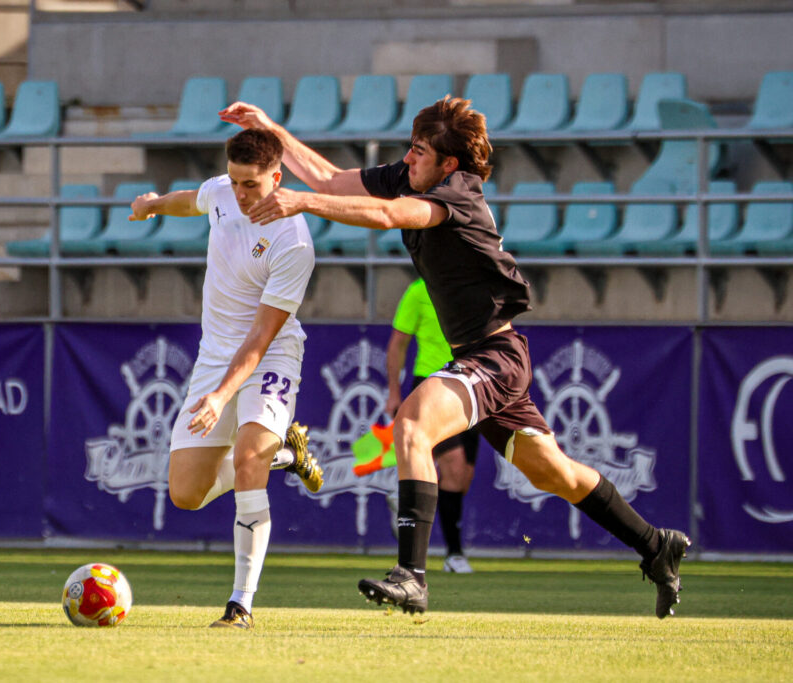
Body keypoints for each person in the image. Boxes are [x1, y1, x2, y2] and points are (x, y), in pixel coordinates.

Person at [219, 96, 689, 619]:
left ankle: (412, 577)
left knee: (413, 425)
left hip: (495, 354)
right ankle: (656, 545)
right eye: (411, 147)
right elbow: (329, 178)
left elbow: (386, 214)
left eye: (420, 152)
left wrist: (301, 202)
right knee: (555, 475)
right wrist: (271, 130)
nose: (409, 158)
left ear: (449, 164)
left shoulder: (454, 194)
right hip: (485, 358)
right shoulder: (411, 174)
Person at [129, 128, 324, 630]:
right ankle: (287, 454)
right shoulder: (222, 191)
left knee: (248, 459)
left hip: (272, 357)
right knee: (185, 494)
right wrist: (152, 205)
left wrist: (221, 395)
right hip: (213, 359)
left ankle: (240, 604)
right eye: (235, 182)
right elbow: (191, 200)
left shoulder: (293, 241)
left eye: (251, 186)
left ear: (277, 179)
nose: (240, 194)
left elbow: (260, 337)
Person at [386, 277, 480, 574]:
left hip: (471, 388)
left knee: (462, 479)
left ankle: (407, 500)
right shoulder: (418, 291)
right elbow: (398, 344)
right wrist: (393, 391)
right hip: (431, 385)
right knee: (453, 467)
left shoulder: (475, 288)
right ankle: (454, 554)